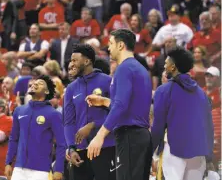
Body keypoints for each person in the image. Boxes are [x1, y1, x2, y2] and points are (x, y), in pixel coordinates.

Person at [86, 29, 153, 180]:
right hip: (141, 136)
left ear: (121, 45)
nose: (109, 48)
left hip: (129, 136)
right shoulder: (140, 69)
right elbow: (131, 105)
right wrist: (104, 101)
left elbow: (121, 106)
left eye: (111, 43)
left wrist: (100, 135)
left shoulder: (123, 68)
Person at [151, 46, 214, 180]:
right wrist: (209, 156)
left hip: (175, 149)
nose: (164, 67)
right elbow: (209, 126)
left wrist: (150, 150)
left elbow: (158, 126)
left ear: (173, 67)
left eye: (166, 64)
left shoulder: (163, 91)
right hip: (199, 151)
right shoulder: (201, 93)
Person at [63, 44, 116, 180]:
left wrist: (94, 124)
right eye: (71, 61)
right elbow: (69, 122)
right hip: (80, 151)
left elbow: (117, 112)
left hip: (106, 147)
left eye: (75, 60)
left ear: (87, 61)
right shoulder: (71, 88)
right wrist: (71, 148)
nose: (72, 64)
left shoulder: (108, 81)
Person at [5, 75, 66, 180]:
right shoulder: (19, 111)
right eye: (34, 83)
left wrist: (58, 169)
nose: (35, 84)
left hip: (41, 171)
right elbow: (13, 139)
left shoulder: (53, 114)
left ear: (46, 92)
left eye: (40, 83)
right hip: (19, 168)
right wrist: (8, 162)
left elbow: (61, 144)